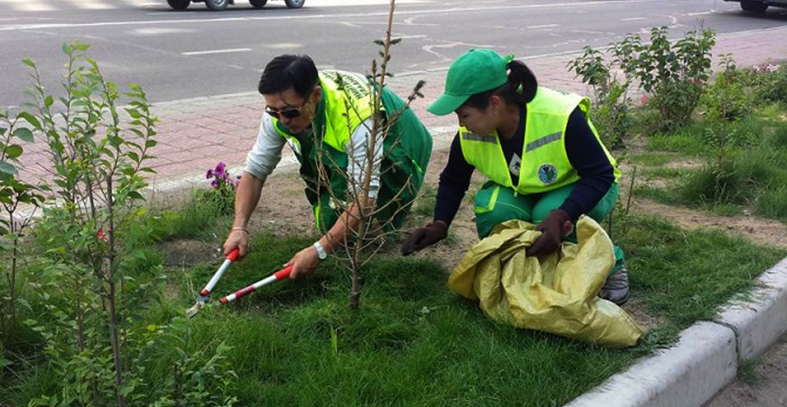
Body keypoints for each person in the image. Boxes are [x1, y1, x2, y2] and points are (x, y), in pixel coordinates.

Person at [401, 48, 629, 305]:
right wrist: (440, 224)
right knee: (494, 209)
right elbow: (454, 178)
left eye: (463, 115)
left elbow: (600, 174)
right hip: (526, 190)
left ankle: (611, 263)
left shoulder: (558, 117)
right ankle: (523, 268)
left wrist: (562, 214)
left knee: (546, 214)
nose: (461, 124)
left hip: (585, 185)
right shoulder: (470, 135)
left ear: (495, 104)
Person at [223, 54, 433, 279]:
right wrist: (239, 227)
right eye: (273, 111)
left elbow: (364, 198)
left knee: (363, 223)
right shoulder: (279, 112)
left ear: (315, 96)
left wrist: (320, 250)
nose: (281, 119)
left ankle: (376, 231)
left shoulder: (358, 117)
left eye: (289, 112)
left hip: (401, 142)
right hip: (342, 140)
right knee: (331, 220)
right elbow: (255, 172)